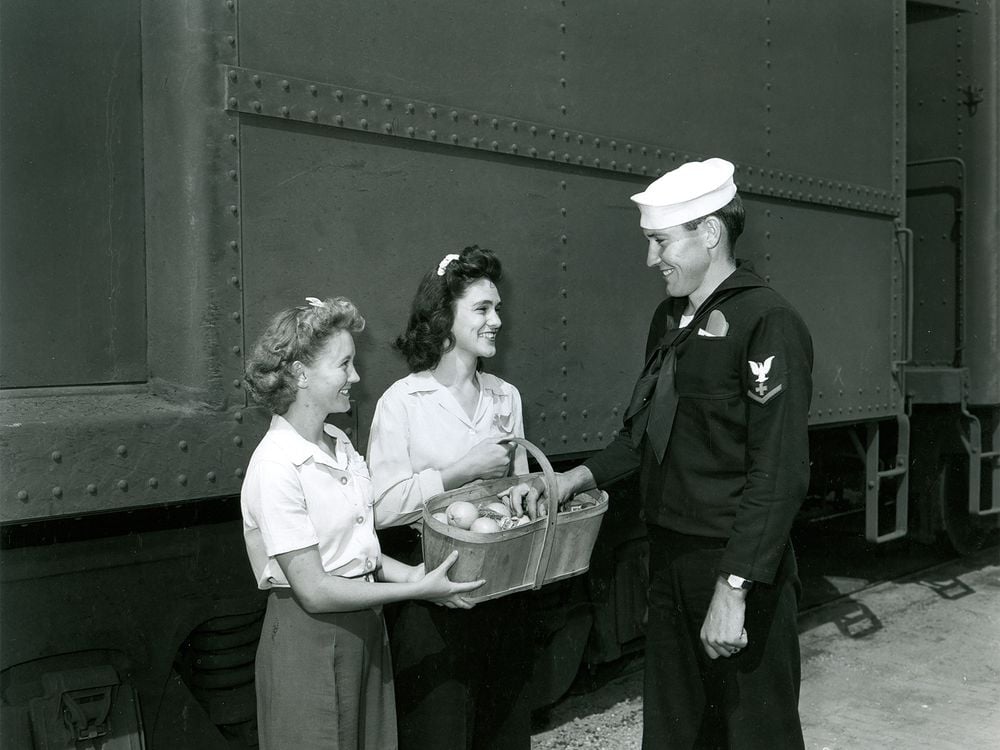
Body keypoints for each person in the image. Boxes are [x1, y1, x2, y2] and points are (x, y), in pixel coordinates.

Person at [514, 158, 813, 748]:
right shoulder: (671, 319)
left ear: (709, 232)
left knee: (755, 734)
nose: (652, 260)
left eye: (661, 242)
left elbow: (779, 474)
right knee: (675, 732)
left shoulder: (766, 321)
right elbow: (644, 433)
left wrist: (734, 590)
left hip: (735, 564)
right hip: (670, 558)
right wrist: (572, 479)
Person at [240, 296, 484, 750]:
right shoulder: (275, 464)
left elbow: (359, 551)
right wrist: (417, 590)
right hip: (308, 640)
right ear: (299, 374)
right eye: (345, 364)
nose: (356, 377)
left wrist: (416, 573)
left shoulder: (338, 444)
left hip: (366, 630)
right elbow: (314, 590)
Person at [367, 246, 535, 750]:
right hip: (433, 589)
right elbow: (380, 506)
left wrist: (528, 495)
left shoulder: (506, 396)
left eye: (498, 308)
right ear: (445, 317)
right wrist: (459, 472)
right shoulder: (403, 402)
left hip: (502, 586)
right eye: (482, 309)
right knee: (438, 733)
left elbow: (520, 484)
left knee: (502, 733)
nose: (496, 320)